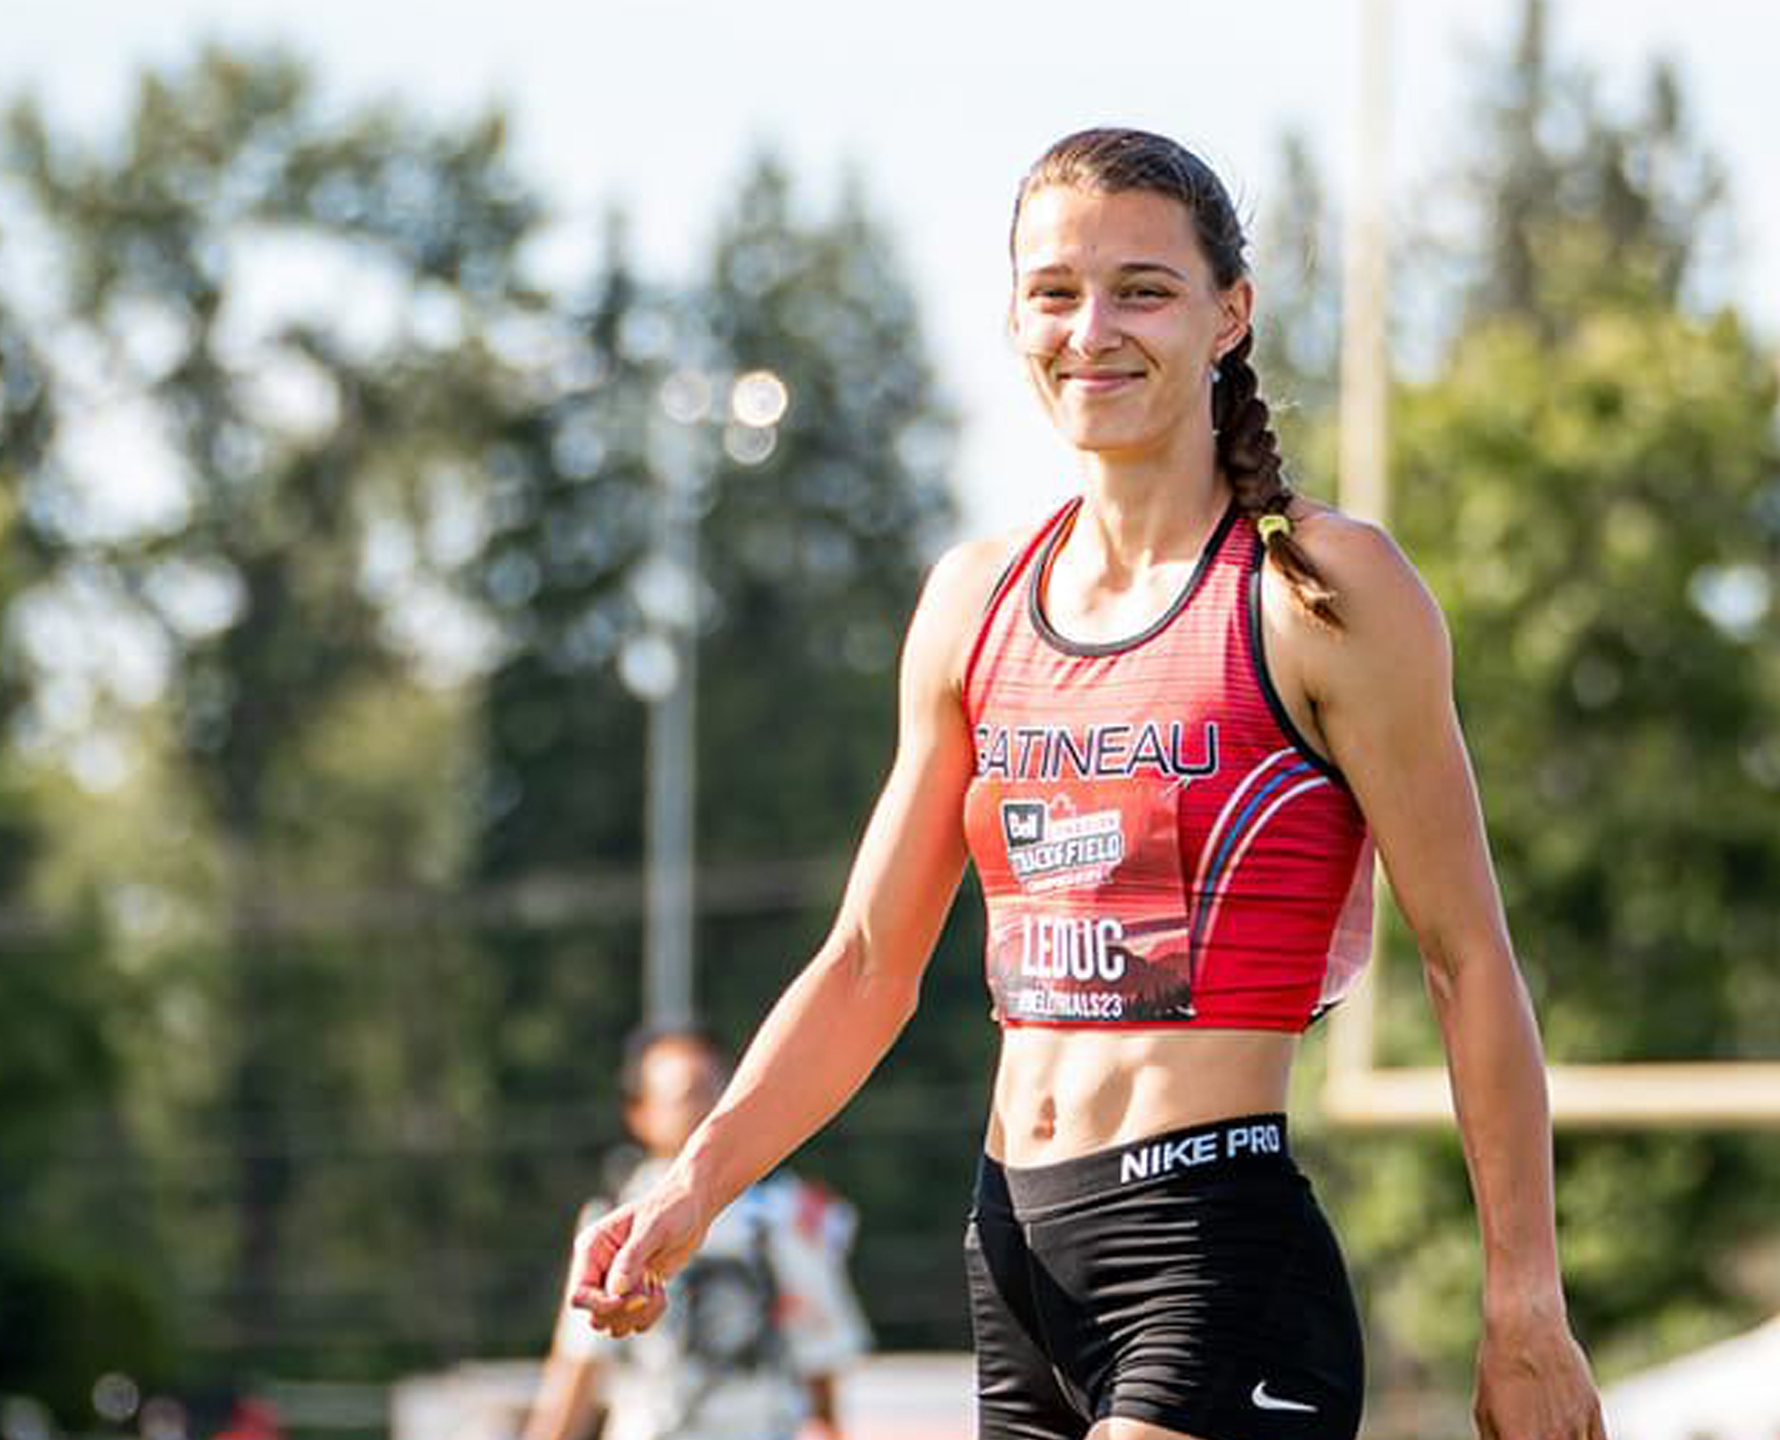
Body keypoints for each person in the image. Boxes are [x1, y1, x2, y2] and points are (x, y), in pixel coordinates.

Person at [567, 126, 1606, 1440]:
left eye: (1143, 290)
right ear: (1015, 315)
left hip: (1212, 1259)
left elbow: (1470, 962)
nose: (1092, 328)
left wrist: (1525, 1302)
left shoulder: (1321, 594)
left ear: (1231, 314)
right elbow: (869, 964)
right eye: (1055, 292)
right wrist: (689, 1189)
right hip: (1012, 1263)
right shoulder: (972, 603)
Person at [525, 1026, 870, 1440]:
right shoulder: (615, 1219)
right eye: (685, 1095)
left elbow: (819, 1358)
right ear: (640, 1115)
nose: (703, 1108)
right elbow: (578, 1364)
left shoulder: (782, 1212)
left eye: (714, 1090)